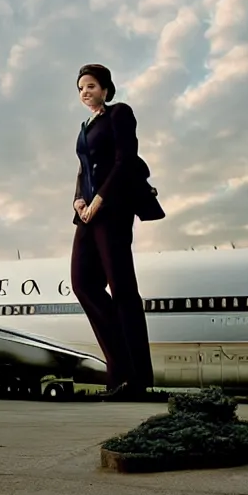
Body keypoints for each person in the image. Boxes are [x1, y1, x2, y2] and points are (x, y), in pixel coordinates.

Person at [71, 63, 163, 399]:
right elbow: (83, 170)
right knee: (82, 283)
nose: (85, 91)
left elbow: (126, 161)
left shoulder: (119, 114)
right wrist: (78, 200)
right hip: (88, 213)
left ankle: (133, 379)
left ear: (106, 89)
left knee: (122, 288)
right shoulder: (85, 127)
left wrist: (100, 200)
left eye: (91, 86)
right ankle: (122, 365)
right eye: (81, 87)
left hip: (114, 209)